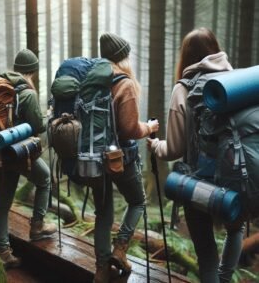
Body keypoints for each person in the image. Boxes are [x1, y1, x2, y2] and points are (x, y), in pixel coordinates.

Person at [147, 27, 245, 283]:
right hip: (237, 176)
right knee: (236, 229)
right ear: (215, 49)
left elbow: (175, 149)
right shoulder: (237, 83)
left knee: (206, 254)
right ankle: (225, 279)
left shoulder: (183, 89)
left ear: (186, 56)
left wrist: (155, 145)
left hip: (200, 184)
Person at [92, 33, 159, 283]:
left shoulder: (93, 79)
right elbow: (130, 128)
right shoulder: (125, 83)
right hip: (120, 158)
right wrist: (150, 128)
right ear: (123, 58)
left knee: (103, 213)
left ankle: (101, 270)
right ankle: (120, 250)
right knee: (138, 202)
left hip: (93, 158)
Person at [0, 49, 57, 269]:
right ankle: (37, 226)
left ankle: (2, 251)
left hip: (2, 151)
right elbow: (37, 126)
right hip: (21, 153)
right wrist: (49, 115)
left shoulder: (2, 88)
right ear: (32, 71)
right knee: (45, 178)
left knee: (3, 203)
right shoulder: (27, 94)